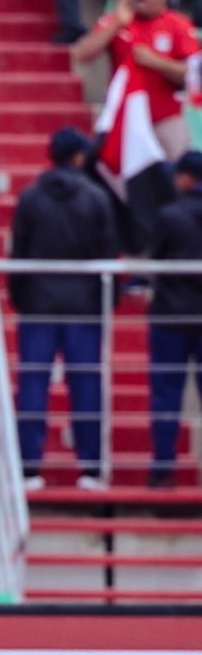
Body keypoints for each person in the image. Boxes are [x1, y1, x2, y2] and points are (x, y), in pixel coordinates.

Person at [8, 128, 119, 491]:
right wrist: (106, 303)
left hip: (37, 305)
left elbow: (18, 252)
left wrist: (22, 300)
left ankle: (28, 468)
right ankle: (91, 468)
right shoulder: (96, 198)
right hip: (84, 307)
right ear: (78, 157)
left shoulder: (30, 197)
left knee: (32, 384)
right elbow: (108, 253)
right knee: (86, 385)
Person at [75, 0, 198, 244]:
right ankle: (127, 242)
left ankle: (175, 243)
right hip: (125, 124)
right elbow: (82, 53)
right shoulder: (120, 20)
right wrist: (116, 23)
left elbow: (194, 72)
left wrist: (157, 62)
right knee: (118, 184)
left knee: (174, 183)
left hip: (164, 120)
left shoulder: (176, 24)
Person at [146, 151, 202, 486]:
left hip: (170, 317)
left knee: (166, 395)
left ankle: (162, 470)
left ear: (185, 178)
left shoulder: (169, 215)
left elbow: (155, 261)